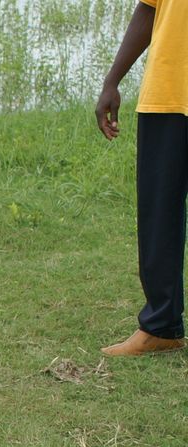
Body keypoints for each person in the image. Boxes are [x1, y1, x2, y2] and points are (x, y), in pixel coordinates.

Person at [96, 0, 188, 356]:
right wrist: (112, 80)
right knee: (158, 216)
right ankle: (161, 327)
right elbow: (150, 8)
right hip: (166, 94)